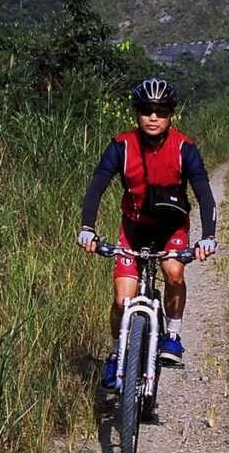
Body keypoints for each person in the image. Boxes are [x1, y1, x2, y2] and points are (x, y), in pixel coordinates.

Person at [77, 77, 217, 389]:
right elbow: (96, 187)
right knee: (121, 300)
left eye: (161, 110)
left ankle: (173, 335)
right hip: (133, 228)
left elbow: (205, 195)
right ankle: (116, 354)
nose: (153, 117)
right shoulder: (121, 146)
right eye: (146, 109)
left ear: (171, 115)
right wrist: (87, 229)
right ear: (136, 113)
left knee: (173, 272)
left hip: (171, 229)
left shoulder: (185, 148)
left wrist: (208, 236)